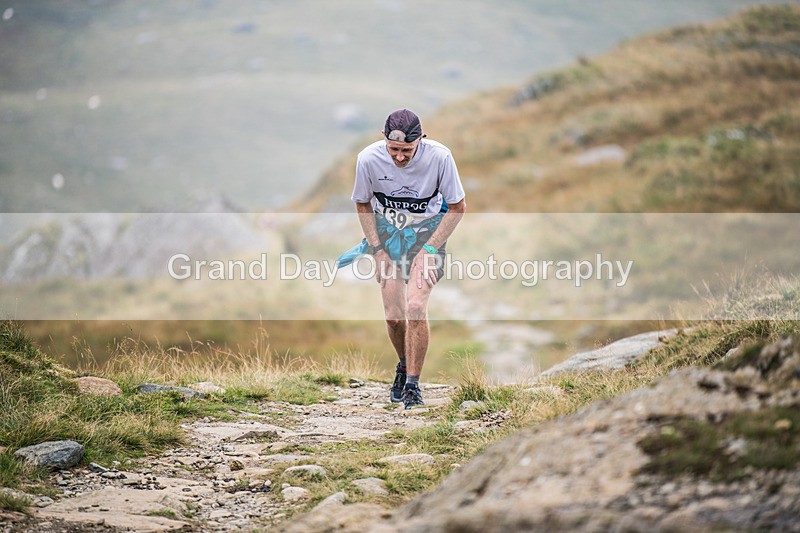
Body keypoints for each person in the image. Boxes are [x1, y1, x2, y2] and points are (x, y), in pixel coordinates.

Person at [348, 109, 466, 409]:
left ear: (421, 141)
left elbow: (457, 206)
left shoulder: (440, 157)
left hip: (428, 234)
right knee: (393, 316)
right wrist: (377, 249)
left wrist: (429, 250)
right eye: (394, 150)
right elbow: (362, 202)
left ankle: (413, 385)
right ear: (384, 140)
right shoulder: (368, 159)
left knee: (415, 306)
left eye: (407, 151)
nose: (400, 157)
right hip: (387, 235)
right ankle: (403, 365)